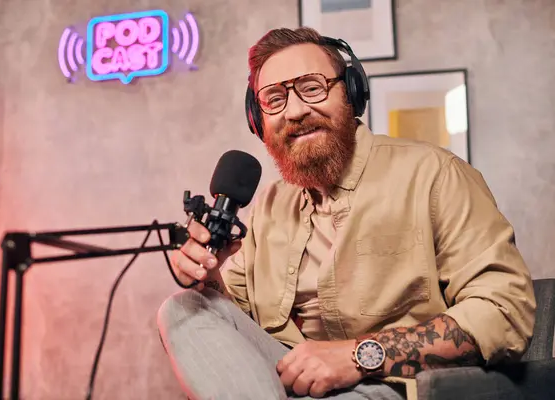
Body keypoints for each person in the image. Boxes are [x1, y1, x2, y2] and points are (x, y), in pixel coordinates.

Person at [157, 27, 536, 400]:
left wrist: (360, 356)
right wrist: (209, 280)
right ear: (258, 119)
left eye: (312, 88)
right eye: (274, 98)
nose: (296, 111)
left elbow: (505, 312)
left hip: (388, 385)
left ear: (352, 93)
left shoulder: (435, 175)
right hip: (282, 382)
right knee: (184, 308)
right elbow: (240, 329)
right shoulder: (269, 205)